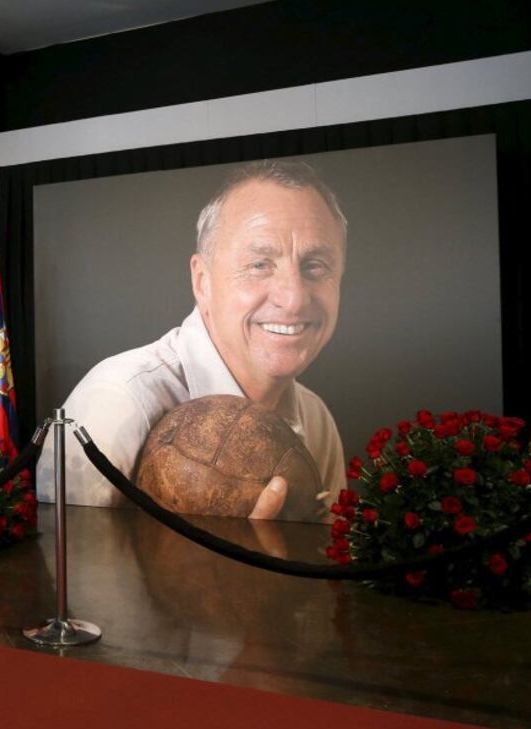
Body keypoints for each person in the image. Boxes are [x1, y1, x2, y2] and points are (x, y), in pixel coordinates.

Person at [37, 159, 347, 522]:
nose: (294, 298)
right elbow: (67, 573)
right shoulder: (119, 404)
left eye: (316, 266)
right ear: (202, 281)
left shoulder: (317, 419)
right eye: (259, 264)